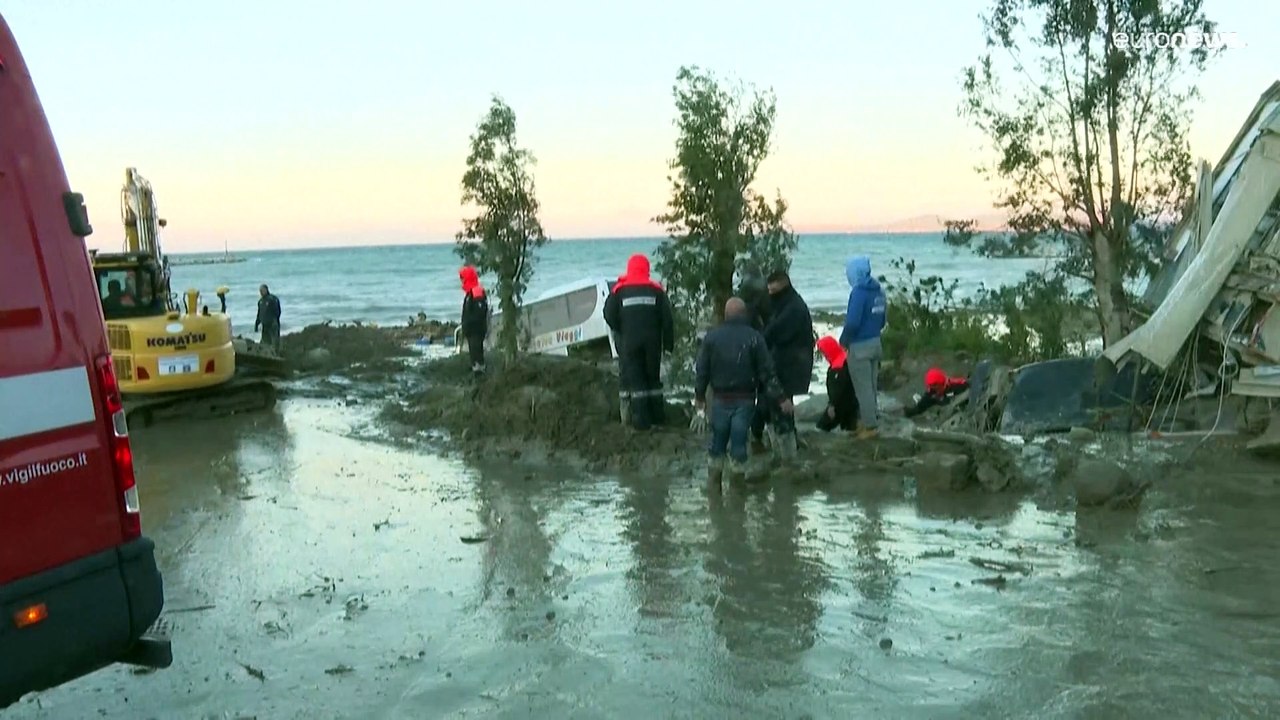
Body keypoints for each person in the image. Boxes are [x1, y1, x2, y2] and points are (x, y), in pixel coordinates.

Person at [694, 297, 793, 490]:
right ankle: (737, 490)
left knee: (717, 441)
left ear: (726, 315)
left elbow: (702, 370)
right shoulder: (754, 337)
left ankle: (714, 487)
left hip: (719, 398)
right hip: (745, 398)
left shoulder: (712, 338)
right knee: (739, 441)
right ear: (744, 314)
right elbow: (767, 373)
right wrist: (781, 399)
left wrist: (699, 397)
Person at [604, 254, 675, 430]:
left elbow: (608, 314)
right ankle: (658, 418)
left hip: (629, 341)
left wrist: (620, 328)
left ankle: (641, 422)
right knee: (653, 379)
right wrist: (668, 346)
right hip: (652, 342)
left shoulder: (619, 290)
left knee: (636, 380)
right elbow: (667, 320)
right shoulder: (657, 290)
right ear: (646, 269)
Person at [755, 270, 814, 459]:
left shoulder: (793, 309)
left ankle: (787, 456)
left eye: (774, 292)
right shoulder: (787, 304)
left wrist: (756, 344)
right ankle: (781, 448)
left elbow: (772, 332)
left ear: (784, 287)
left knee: (780, 407)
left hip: (792, 365)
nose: (771, 296)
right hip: (789, 362)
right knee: (773, 405)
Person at [839, 256, 887, 439]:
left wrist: (844, 340)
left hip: (859, 346)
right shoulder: (879, 291)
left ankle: (870, 426)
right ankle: (870, 419)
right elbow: (882, 319)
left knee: (863, 388)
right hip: (876, 342)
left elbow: (852, 322)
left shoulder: (858, 292)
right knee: (871, 386)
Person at [815, 336, 859, 432]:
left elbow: (838, 389)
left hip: (842, 405)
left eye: (823, 351)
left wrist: (832, 405)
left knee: (821, 427)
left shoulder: (838, 366)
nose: (823, 355)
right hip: (852, 403)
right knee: (849, 429)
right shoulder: (845, 358)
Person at [458, 266, 489, 377]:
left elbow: (480, 312)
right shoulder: (470, 292)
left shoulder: (477, 292)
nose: (461, 280)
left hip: (476, 330)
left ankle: (480, 375)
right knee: (474, 356)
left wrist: (469, 324)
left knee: (477, 356)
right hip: (471, 331)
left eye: (462, 278)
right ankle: (477, 372)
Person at [904, 367, 970, 418]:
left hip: (958, 403)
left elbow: (966, 393)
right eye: (930, 386)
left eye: (934, 385)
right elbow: (923, 402)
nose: (932, 387)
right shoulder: (932, 390)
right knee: (927, 400)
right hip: (943, 402)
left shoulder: (956, 385)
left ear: (940, 382)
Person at [255, 284, 282, 353]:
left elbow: (278, 311)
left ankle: (276, 353)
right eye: (260, 291)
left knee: (275, 340)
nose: (261, 292)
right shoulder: (260, 301)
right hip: (265, 324)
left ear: (266, 290)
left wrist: (274, 320)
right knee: (265, 341)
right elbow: (259, 314)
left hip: (273, 324)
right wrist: (256, 324)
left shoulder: (273, 299)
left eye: (262, 290)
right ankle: (266, 354)